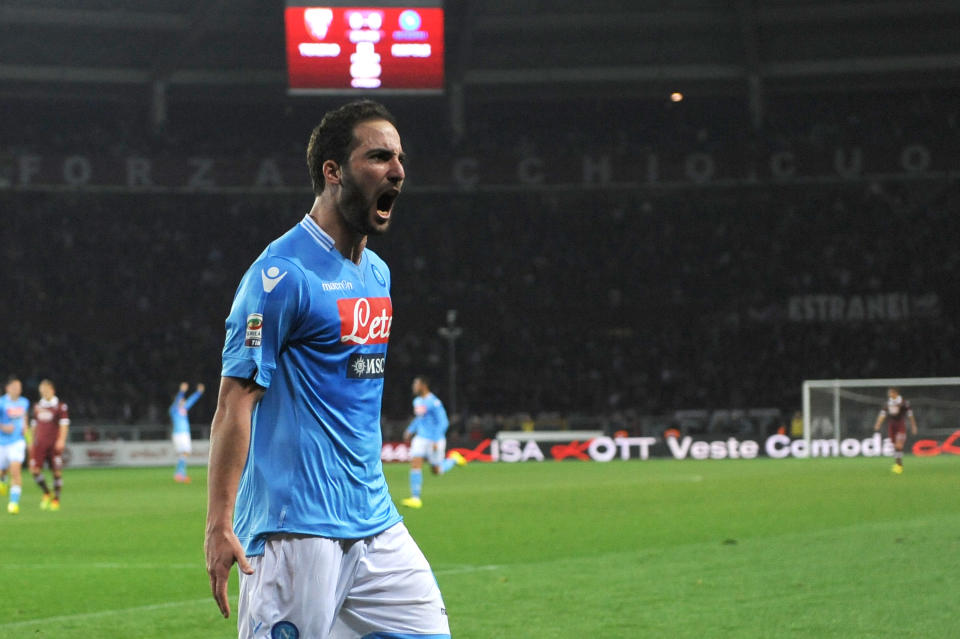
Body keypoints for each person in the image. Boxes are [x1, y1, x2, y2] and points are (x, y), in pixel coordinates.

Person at [204, 100, 450, 639]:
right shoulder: (280, 275)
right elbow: (233, 404)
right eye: (379, 156)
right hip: (298, 530)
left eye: (400, 158)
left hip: (375, 521)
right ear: (332, 172)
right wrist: (219, 523)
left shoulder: (377, 274)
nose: (398, 171)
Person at [401, 375, 466, 509]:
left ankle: (453, 459)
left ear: (423, 386)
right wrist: (410, 430)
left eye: (416, 384)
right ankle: (415, 498)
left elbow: (444, 422)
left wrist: (436, 439)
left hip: (435, 439)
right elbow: (419, 418)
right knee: (415, 463)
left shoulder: (434, 402)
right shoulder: (417, 401)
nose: (414, 387)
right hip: (420, 438)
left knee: (436, 470)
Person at [29, 379, 70, 510]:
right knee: (34, 470)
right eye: (42, 390)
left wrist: (61, 440)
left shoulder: (60, 406)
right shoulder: (37, 407)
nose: (44, 392)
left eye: (46, 390)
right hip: (40, 445)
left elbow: (64, 424)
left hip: (53, 444)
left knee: (56, 472)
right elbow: (34, 426)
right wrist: (31, 441)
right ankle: (47, 492)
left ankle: (56, 499)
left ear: (52, 390)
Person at [0, 376, 30, 514]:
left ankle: (13, 504)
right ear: (7, 388)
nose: (17, 390)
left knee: (15, 471)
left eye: (19, 387)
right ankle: (2, 480)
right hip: (2, 443)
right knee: (2, 471)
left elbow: (24, 417)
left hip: (17, 442)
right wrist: (3, 427)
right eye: (14, 387)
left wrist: (25, 428)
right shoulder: (1, 403)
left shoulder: (24, 402)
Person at [872, 386, 918, 474]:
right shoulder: (888, 403)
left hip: (900, 425)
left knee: (899, 445)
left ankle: (899, 466)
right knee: (895, 446)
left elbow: (910, 415)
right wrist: (878, 424)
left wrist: (913, 426)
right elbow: (883, 414)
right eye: (889, 393)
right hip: (891, 426)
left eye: (891, 393)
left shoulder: (903, 403)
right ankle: (898, 464)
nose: (889, 394)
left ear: (895, 393)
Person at [170, 381, 205, 483]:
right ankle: (180, 474)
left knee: (183, 454)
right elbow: (177, 401)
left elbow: (191, 401)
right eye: (182, 400)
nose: (183, 401)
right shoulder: (174, 410)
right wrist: (181, 392)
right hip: (180, 434)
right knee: (185, 453)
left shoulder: (183, 409)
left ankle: (179, 474)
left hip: (183, 434)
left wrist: (198, 393)